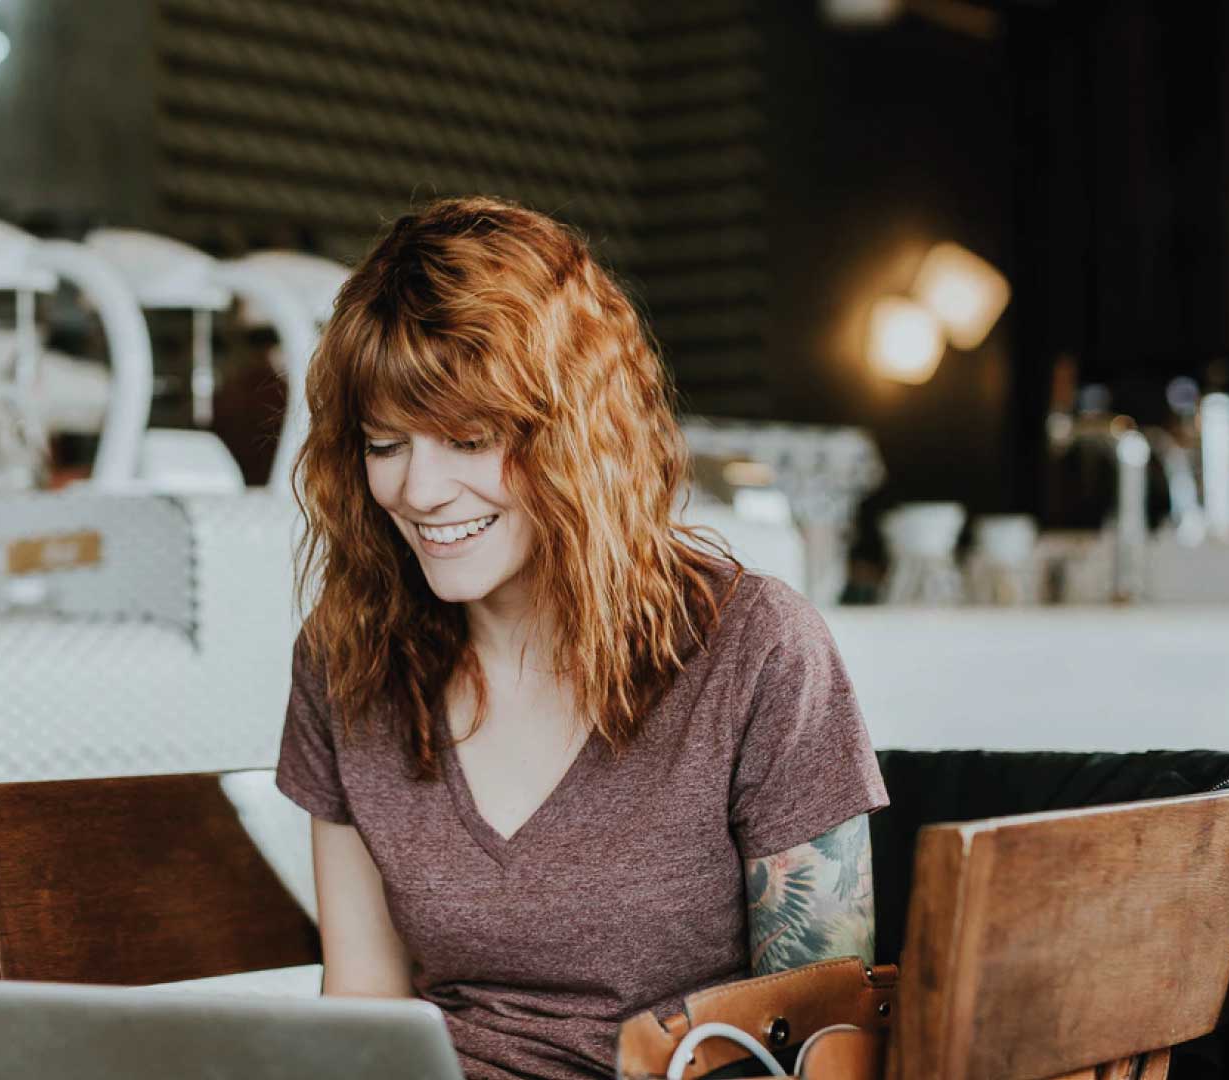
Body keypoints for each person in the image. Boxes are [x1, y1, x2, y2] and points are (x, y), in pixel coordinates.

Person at [274, 196, 888, 1080]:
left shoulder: (755, 649)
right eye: (384, 444)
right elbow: (362, 1000)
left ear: (576, 436)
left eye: (470, 438)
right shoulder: (345, 661)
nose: (419, 490)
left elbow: (828, 1041)